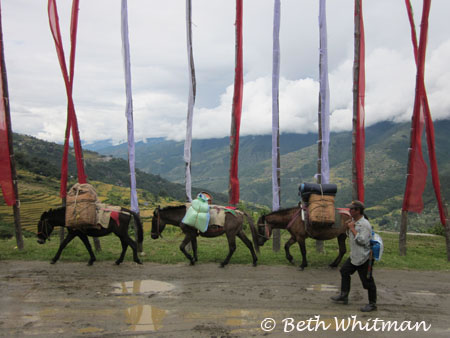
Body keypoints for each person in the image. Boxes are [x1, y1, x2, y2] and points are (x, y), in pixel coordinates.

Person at [331, 200, 377, 312]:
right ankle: (344, 295)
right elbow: (351, 236)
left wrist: (352, 228)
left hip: (364, 257)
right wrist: (349, 229)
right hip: (355, 256)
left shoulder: (364, 224)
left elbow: (362, 240)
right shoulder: (354, 221)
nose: (349, 211)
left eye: (351, 209)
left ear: (358, 211)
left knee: (367, 281)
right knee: (344, 271)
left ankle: (372, 304)